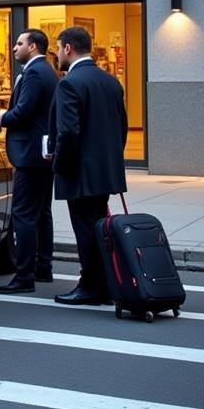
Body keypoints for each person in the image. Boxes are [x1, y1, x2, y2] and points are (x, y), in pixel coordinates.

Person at [48, 25, 128, 305]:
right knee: (97, 227)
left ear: (68, 48)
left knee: (85, 231)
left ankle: (91, 286)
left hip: (80, 172)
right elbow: (122, 128)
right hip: (105, 171)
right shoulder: (111, 81)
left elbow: (68, 132)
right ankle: (103, 282)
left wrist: (58, 162)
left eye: (58, 49)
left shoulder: (69, 83)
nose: (57, 54)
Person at [0, 29, 58, 292]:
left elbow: (23, 112)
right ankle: (43, 267)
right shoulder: (48, 71)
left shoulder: (34, 72)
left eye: (19, 43)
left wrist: (2, 117)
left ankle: (24, 276)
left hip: (30, 155)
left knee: (23, 214)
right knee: (43, 212)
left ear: (32, 47)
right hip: (42, 154)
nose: (14, 48)